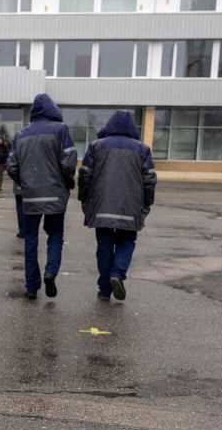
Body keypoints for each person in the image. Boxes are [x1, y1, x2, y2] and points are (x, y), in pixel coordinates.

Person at [78, 110, 156, 302]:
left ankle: (105, 289)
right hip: (131, 206)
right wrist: (147, 203)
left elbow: (85, 175)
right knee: (127, 241)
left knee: (104, 245)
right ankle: (117, 274)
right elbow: (149, 180)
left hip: (101, 205)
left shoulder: (96, 146)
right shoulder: (142, 149)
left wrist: (84, 199)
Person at [8, 93, 78, 301]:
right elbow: (69, 162)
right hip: (55, 194)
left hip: (30, 196)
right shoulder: (60, 130)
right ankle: (50, 272)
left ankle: (31, 287)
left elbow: (12, 166)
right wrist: (66, 180)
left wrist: (25, 182)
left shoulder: (21, 134)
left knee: (30, 239)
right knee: (55, 235)